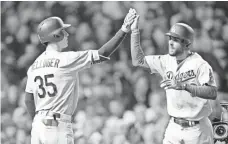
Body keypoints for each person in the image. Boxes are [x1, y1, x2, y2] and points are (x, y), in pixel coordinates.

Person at [24, 9, 136, 144]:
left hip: (38, 127)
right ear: (55, 36)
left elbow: (28, 100)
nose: (66, 34)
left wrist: (37, 121)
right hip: (57, 126)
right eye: (62, 31)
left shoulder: (34, 66)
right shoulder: (66, 59)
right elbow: (102, 53)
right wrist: (124, 29)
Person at [130, 9, 217, 144]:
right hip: (174, 126)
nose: (170, 42)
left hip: (198, 129)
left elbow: (212, 92)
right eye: (170, 38)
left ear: (187, 43)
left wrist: (184, 86)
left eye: (176, 39)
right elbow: (138, 60)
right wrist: (135, 32)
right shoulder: (165, 61)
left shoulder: (199, 64)